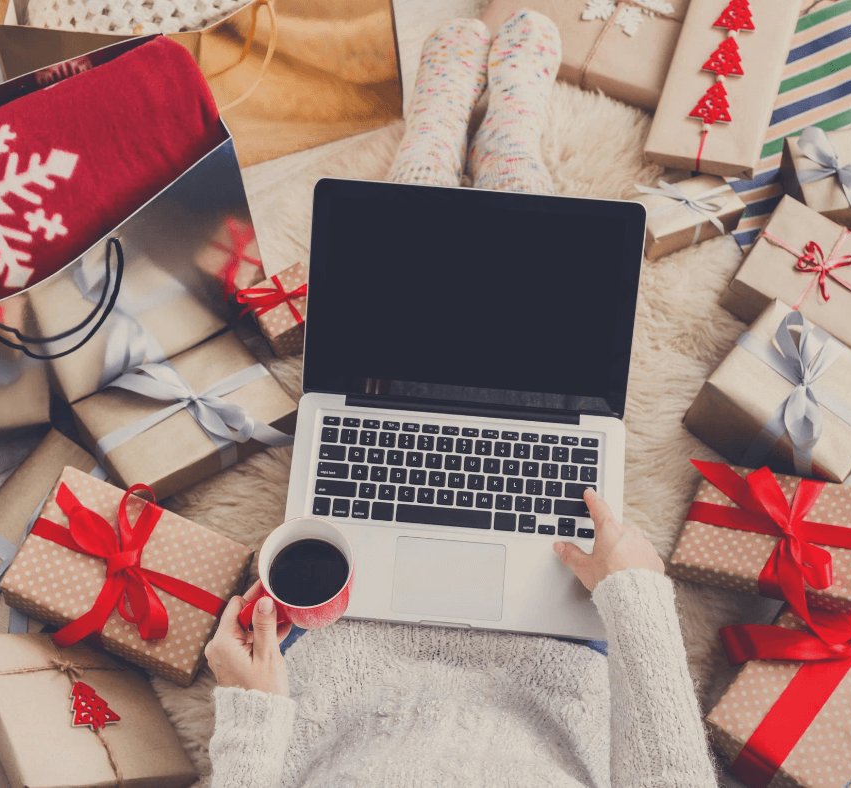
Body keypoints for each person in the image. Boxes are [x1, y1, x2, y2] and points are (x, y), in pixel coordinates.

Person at [206, 11, 719, 787]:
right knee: (535, 296)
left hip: (341, 665)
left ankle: (434, 144)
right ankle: (504, 148)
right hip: (551, 667)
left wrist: (249, 723)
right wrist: (635, 594)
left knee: (405, 289)